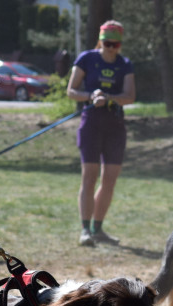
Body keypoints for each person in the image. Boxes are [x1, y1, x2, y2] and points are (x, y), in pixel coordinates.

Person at [67, 20, 135, 247]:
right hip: (91, 125)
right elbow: (71, 91)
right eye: (107, 43)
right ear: (100, 41)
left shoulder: (125, 65)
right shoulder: (86, 59)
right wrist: (90, 95)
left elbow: (130, 96)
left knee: (109, 180)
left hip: (115, 127)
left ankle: (98, 228)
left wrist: (109, 98)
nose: (110, 48)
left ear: (120, 44)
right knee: (90, 177)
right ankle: (85, 230)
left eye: (115, 44)